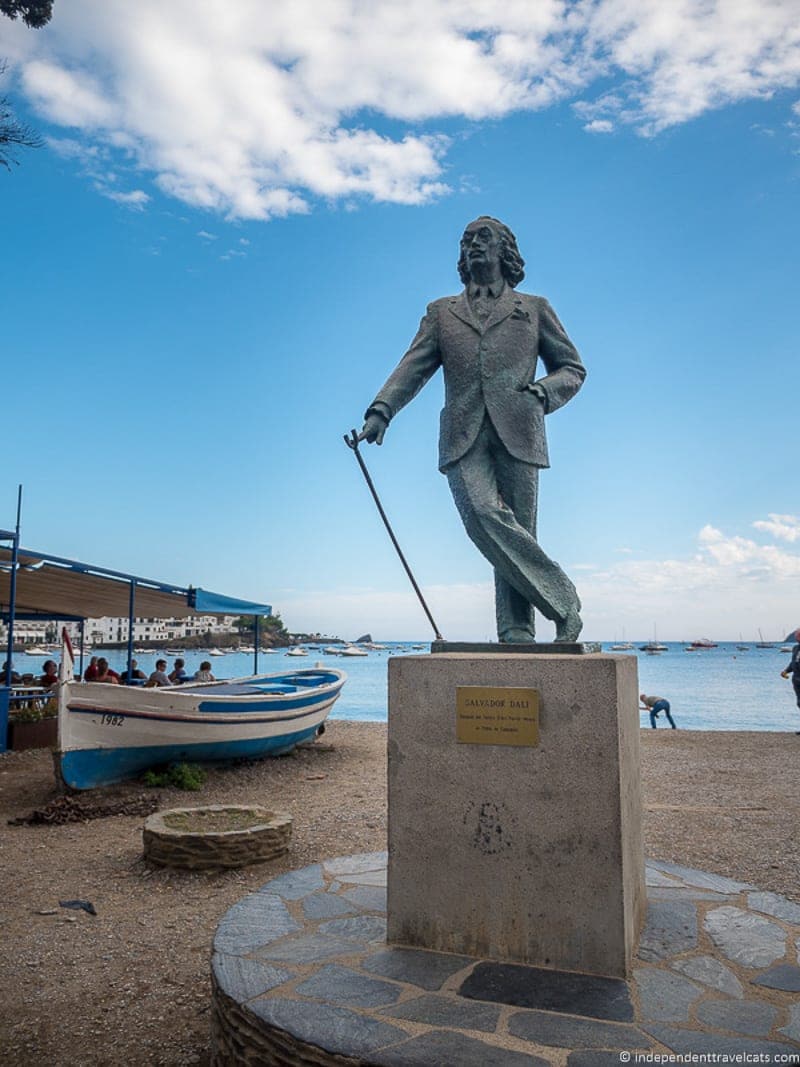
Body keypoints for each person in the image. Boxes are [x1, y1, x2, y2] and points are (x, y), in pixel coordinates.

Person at [359, 216, 586, 643]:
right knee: (483, 517)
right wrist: (382, 409)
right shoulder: (442, 312)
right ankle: (563, 598)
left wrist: (542, 393)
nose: (473, 245)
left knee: (519, 528)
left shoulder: (534, 309)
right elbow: (414, 365)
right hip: (463, 432)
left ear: (505, 250)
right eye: (466, 240)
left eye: (484, 238)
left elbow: (572, 368)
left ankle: (516, 629)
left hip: (520, 426)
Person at [780, 627, 800, 734]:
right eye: (797, 635)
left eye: (798, 635)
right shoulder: (796, 648)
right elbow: (793, 663)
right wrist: (786, 671)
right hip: (796, 680)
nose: (797, 637)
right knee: (799, 703)